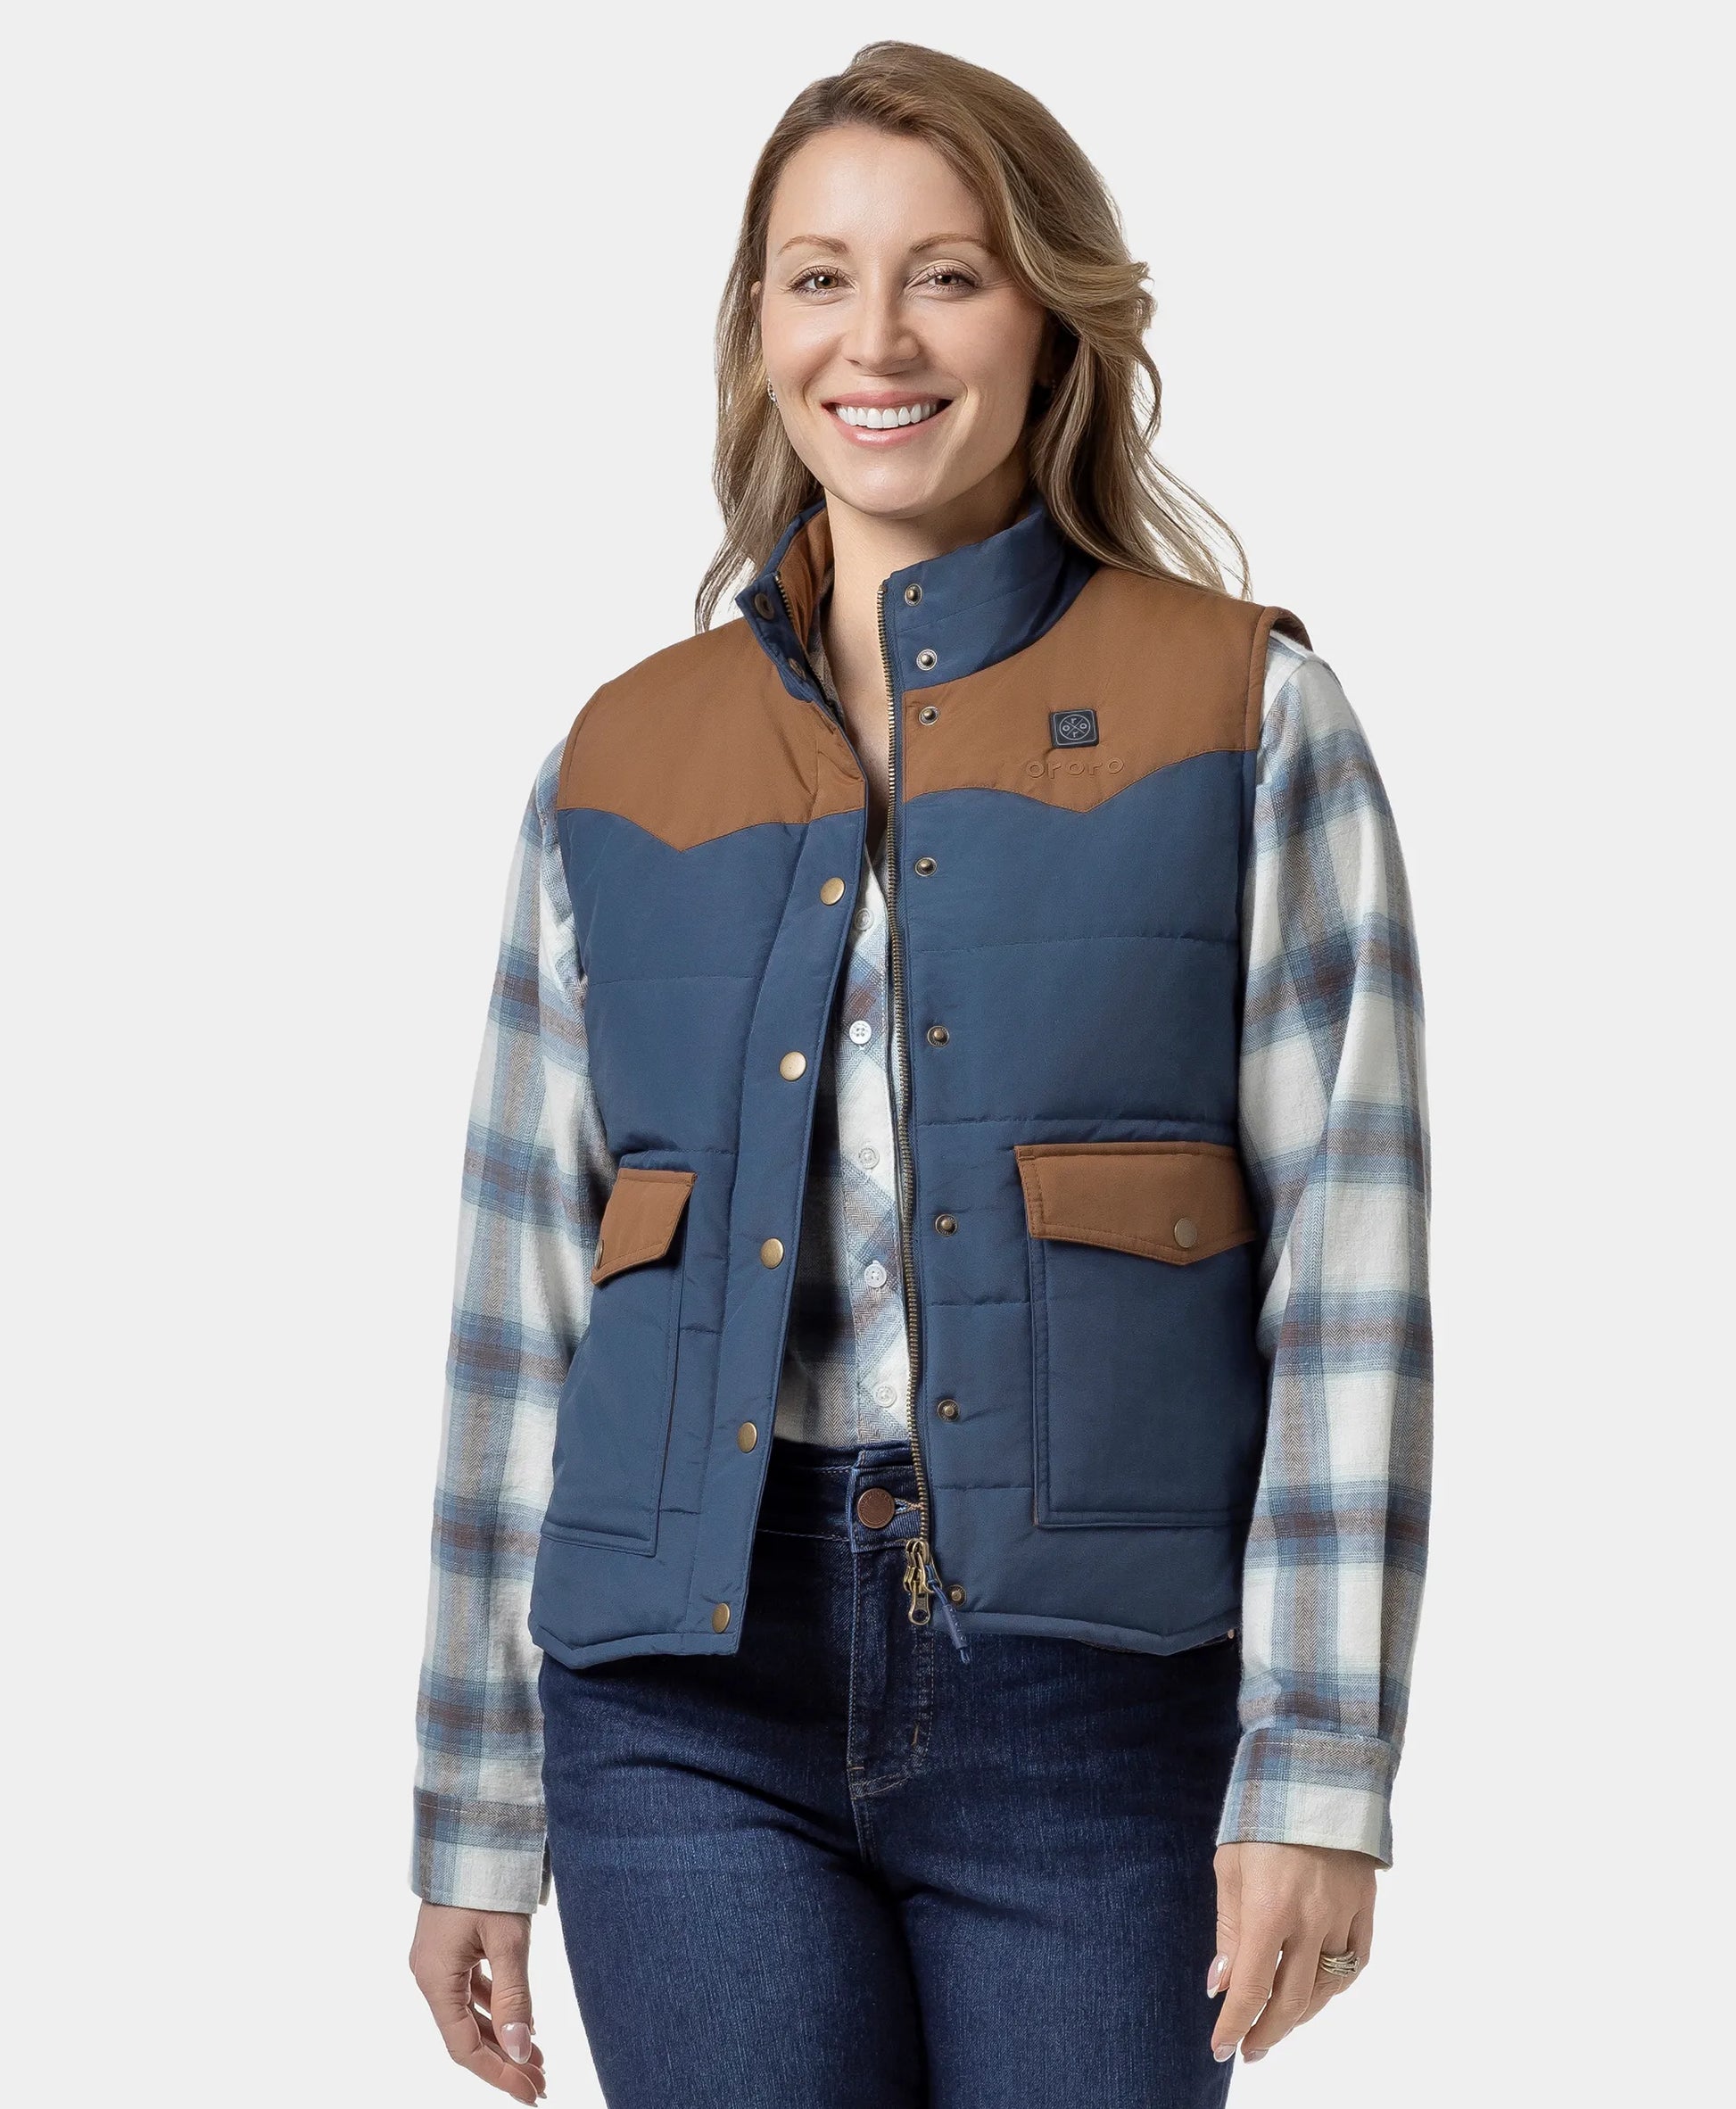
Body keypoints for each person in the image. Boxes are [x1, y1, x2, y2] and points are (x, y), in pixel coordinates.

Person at [407, 39, 1431, 2108]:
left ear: (1053, 318)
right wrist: (471, 1805)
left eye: (945, 275)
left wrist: (1318, 1766)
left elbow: (1351, 1278)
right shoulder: (615, 760)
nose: (872, 341)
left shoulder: (1251, 718)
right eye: (818, 278)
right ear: (756, 327)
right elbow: (522, 1305)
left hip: (1092, 1701)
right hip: (679, 1700)